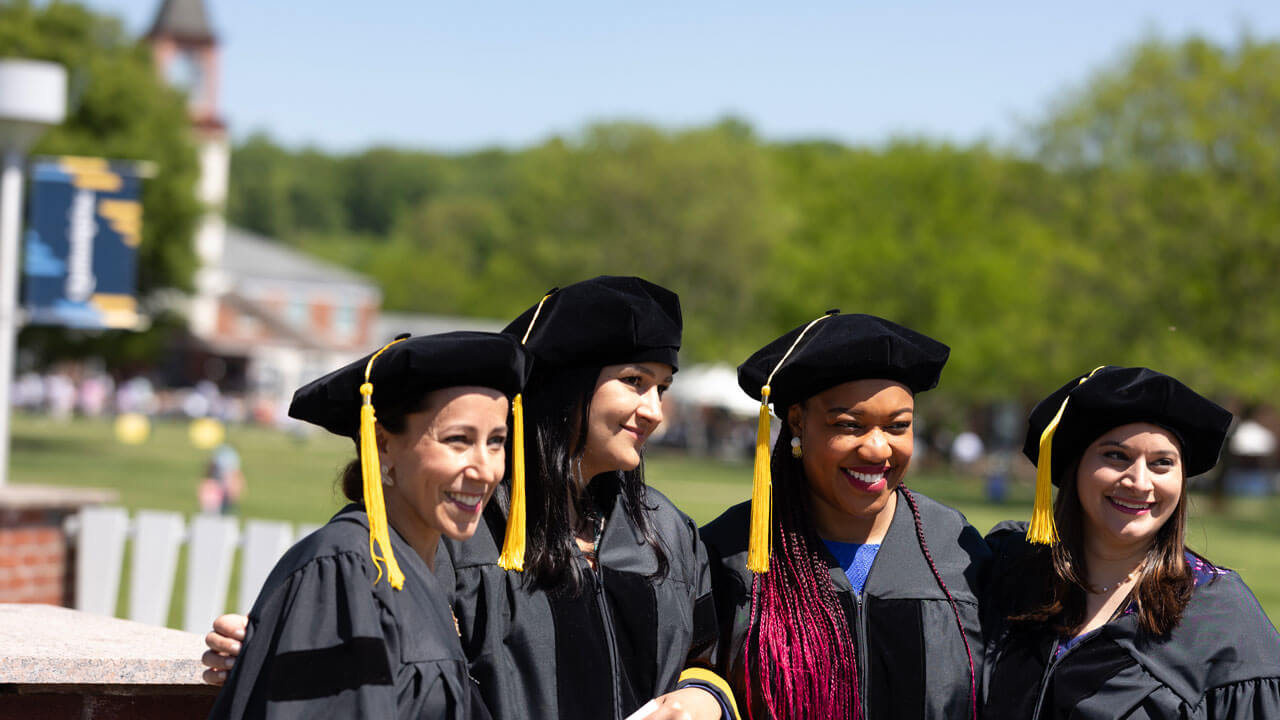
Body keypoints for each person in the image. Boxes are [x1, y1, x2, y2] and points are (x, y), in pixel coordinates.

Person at [204, 277, 737, 720]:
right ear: (567, 387)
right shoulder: (459, 524)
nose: (654, 411)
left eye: (662, 388)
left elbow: (702, 656)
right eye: (633, 381)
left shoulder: (664, 531)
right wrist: (287, 646)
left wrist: (703, 697)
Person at [208, 331, 530, 719]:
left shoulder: (414, 564)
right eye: (458, 440)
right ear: (382, 445)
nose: (486, 469)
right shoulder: (347, 570)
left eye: (496, 442)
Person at [700, 312, 988, 720]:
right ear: (798, 422)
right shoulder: (730, 552)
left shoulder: (958, 550)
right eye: (850, 425)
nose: (877, 449)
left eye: (898, 426)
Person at [981, 365, 1280, 719]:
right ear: (1074, 468)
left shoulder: (1221, 618)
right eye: (1116, 456)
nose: (1139, 482)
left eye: (1162, 463)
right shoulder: (1014, 569)